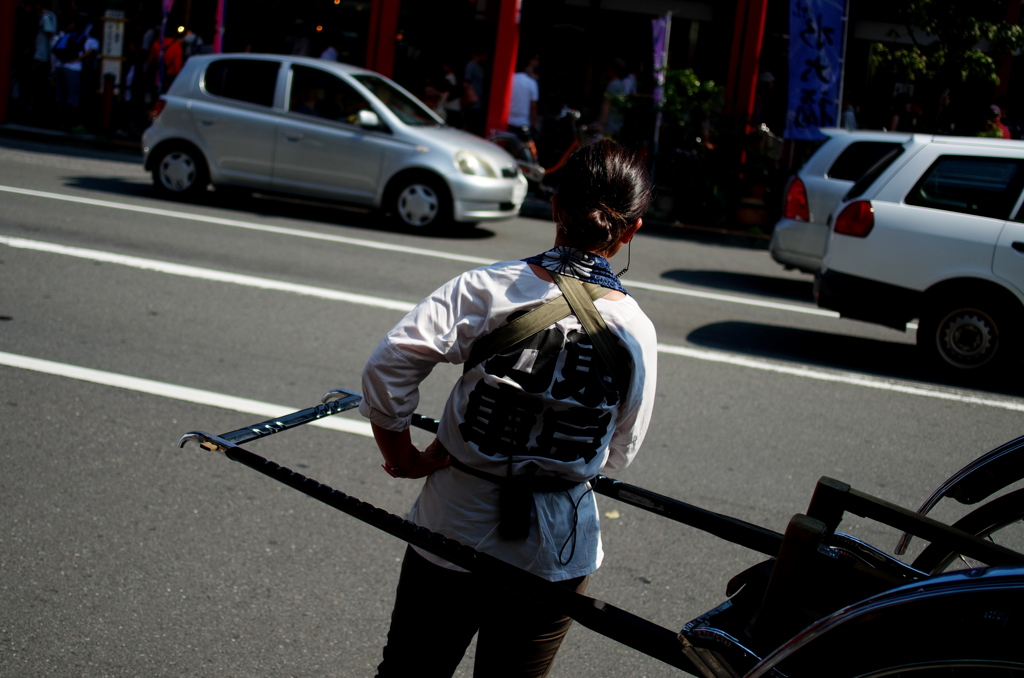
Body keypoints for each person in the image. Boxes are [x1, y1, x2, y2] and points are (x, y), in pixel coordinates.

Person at [359, 139, 658, 678]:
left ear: (555, 208)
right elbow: (621, 449)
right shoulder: (636, 331)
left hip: (453, 525)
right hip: (556, 548)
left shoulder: (485, 288)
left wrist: (403, 457)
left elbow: (388, 367)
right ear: (632, 230)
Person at [597, 58, 636, 140]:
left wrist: (601, 124)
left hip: (608, 126)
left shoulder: (612, 85)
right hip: (617, 126)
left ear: (612, 70)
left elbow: (606, 106)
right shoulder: (621, 85)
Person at [508, 54, 540, 145]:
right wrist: (534, 124)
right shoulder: (532, 83)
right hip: (523, 123)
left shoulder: (511, 78)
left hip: (508, 120)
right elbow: (533, 107)